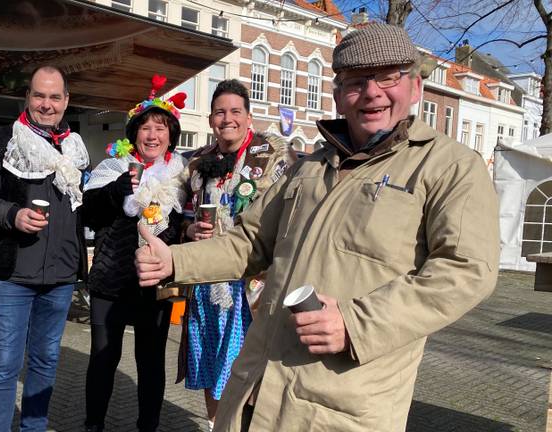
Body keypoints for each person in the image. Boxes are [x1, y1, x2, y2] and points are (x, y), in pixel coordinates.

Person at [135, 23, 499, 431]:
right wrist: (174, 260)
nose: (373, 92)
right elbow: (250, 243)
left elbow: (467, 269)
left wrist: (355, 324)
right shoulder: (308, 167)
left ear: (415, 87)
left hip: (336, 407)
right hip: (254, 392)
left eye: (388, 77)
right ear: (339, 94)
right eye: (357, 81)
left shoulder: (450, 167)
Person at [0, 65, 89, 432]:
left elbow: (86, 205)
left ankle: (34, 428)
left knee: (46, 361)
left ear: (66, 101)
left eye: (54, 97)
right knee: (3, 364)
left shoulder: (76, 149)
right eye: (39, 96)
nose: (46, 105)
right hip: (11, 276)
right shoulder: (5, 140)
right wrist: (11, 214)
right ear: (27, 98)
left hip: (61, 277)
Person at [179, 79, 287, 432]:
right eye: (220, 112)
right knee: (211, 366)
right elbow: (178, 213)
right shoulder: (197, 162)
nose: (228, 119)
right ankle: (215, 425)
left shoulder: (272, 154)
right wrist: (189, 231)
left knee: (249, 367)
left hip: (251, 285)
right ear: (211, 120)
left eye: (235, 111)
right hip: (206, 284)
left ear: (248, 116)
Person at [82, 75, 188, 432]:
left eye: (160, 127)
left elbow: (182, 229)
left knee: (151, 362)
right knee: (103, 358)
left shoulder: (180, 177)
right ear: (134, 134)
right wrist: (117, 189)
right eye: (145, 127)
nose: (152, 135)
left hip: (153, 282)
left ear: (170, 134)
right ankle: (93, 425)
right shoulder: (112, 167)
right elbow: (89, 213)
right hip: (111, 280)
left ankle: (148, 426)